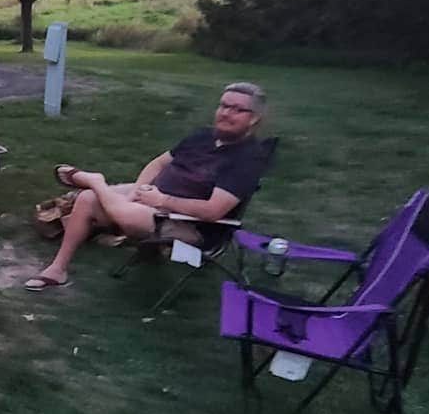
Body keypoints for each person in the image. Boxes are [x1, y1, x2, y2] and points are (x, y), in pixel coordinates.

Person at [25, 82, 272, 292]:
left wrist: (162, 200)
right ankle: (58, 268)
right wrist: (136, 192)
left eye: (237, 109)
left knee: (119, 207)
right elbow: (158, 164)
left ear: (254, 118)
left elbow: (213, 211)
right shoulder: (203, 136)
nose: (226, 113)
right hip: (155, 200)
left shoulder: (247, 159)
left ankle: (95, 179)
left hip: (190, 225)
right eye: (224, 105)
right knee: (88, 199)